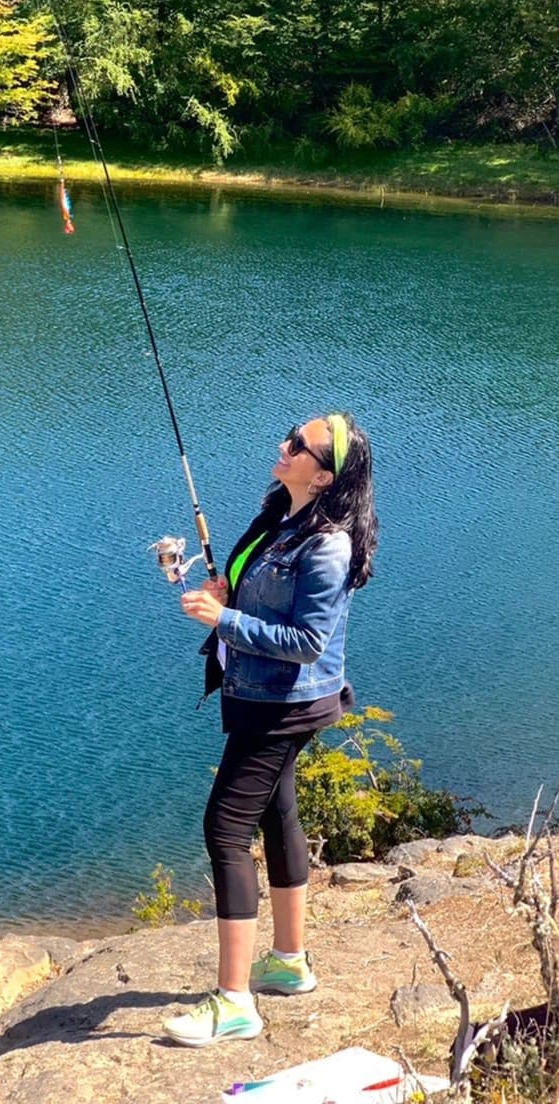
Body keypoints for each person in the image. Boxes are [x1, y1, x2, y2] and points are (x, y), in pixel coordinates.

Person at [162, 413, 378, 1048]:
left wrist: (225, 619)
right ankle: (288, 962)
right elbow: (262, 594)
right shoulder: (280, 515)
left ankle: (233, 1004)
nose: (283, 448)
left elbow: (308, 641)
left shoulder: (328, 543)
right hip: (266, 698)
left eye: (297, 446)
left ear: (326, 472)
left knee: (224, 829)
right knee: (277, 813)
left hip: (284, 703)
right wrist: (228, 589)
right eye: (288, 436)